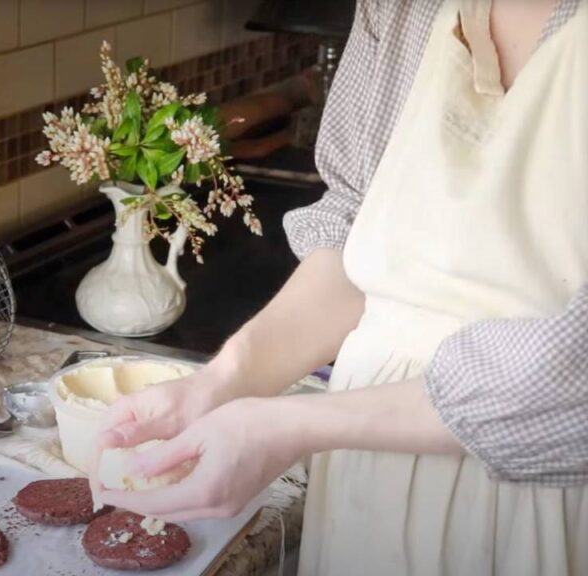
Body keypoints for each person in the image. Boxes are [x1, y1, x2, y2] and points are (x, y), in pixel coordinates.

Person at [90, 0, 587, 574]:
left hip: (550, 499)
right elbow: (356, 239)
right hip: (365, 474)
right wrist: (220, 384)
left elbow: (571, 369)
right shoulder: (402, 7)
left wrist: (291, 424)